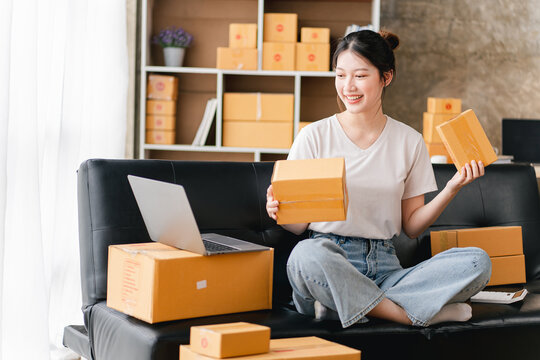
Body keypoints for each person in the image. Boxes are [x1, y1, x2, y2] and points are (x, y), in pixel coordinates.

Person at [266, 30, 491, 328]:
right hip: (329, 260)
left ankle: (348, 306)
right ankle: (406, 315)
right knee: (305, 255)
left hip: (386, 268)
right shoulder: (313, 136)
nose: (348, 86)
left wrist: (452, 187)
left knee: (477, 261)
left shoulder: (409, 141)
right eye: (340, 75)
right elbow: (298, 227)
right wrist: (279, 209)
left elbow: (411, 227)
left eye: (360, 75)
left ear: (386, 77)